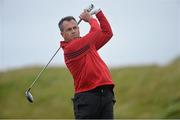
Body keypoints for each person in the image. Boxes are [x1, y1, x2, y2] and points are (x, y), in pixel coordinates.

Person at [58, 8, 115, 119]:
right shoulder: (70, 49)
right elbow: (97, 31)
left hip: (106, 94)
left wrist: (99, 13)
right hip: (87, 97)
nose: (73, 31)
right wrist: (90, 19)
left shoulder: (87, 44)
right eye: (69, 29)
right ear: (62, 34)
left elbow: (107, 33)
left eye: (75, 27)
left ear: (79, 28)